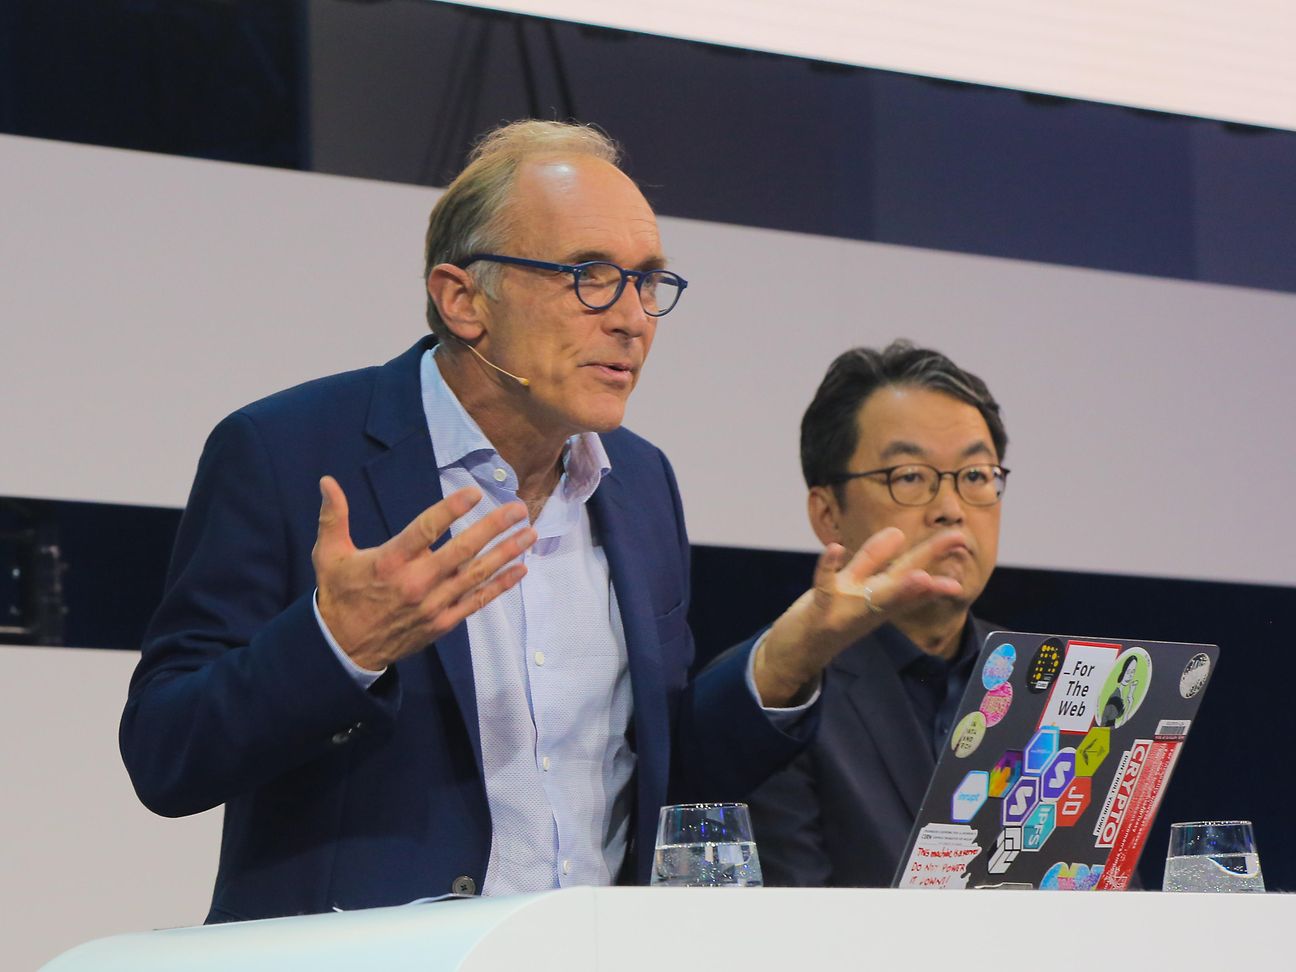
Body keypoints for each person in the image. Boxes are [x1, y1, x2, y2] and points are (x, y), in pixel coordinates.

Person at [120, 122, 966, 922]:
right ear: (463, 300)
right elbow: (165, 754)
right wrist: (338, 644)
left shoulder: (640, 483)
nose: (631, 318)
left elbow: (665, 776)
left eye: (647, 281)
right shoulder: (286, 453)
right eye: (589, 275)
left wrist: (791, 652)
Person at [747, 341, 1010, 888]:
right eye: (909, 476)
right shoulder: (782, 698)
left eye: (976, 475)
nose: (951, 509)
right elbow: (788, 921)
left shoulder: (1049, 684)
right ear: (828, 514)